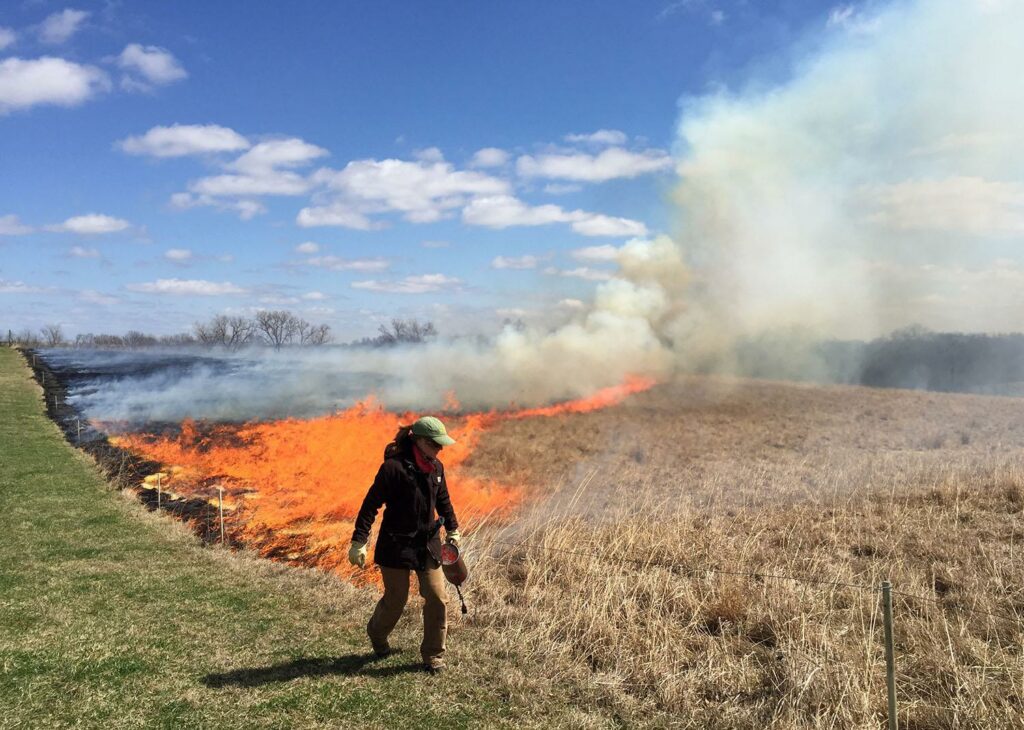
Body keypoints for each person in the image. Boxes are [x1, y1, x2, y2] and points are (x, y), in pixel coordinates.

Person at [348, 415, 462, 674]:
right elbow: (370, 505)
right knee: (396, 599)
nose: (439, 449)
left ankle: (433, 655)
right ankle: (377, 634)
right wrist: (359, 541)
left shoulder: (437, 468)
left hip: (428, 545)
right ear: (420, 441)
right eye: (435, 444)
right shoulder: (393, 468)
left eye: (440, 445)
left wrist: (453, 529)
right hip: (396, 544)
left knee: (437, 598)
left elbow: (443, 501)